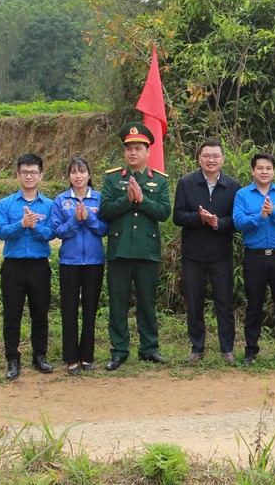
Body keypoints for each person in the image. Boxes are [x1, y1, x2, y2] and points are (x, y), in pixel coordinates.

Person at [100, 122, 171, 370]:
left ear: (148, 151)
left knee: (146, 302)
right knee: (118, 303)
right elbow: (105, 211)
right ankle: (119, 351)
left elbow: (164, 213)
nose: (133, 153)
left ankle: (149, 348)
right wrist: (126, 200)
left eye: (138, 148)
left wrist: (142, 200)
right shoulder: (112, 179)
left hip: (146, 252)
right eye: (129, 148)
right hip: (119, 251)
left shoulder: (158, 181)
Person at [172, 139, 242, 364]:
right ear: (199, 158)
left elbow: (237, 220)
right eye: (206, 156)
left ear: (222, 159)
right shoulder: (186, 182)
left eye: (215, 156)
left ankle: (227, 348)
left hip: (221, 253)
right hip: (193, 254)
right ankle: (197, 347)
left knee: (224, 301)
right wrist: (199, 218)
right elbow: (178, 216)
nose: (211, 160)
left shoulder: (233, 186)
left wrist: (217, 223)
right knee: (194, 301)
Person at [0, 153, 55, 380]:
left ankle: (40, 356)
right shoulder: (6, 204)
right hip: (13, 267)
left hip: (39, 266)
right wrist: (21, 224)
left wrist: (34, 226)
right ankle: (12, 359)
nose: (29, 176)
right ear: (18, 175)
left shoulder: (48, 204)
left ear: (41, 175)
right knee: (12, 315)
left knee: (40, 314)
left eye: (34, 172)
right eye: (25, 172)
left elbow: (51, 233)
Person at [233, 152, 275, 365]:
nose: (264, 172)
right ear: (252, 170)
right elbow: (239, 222)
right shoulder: (243, 195)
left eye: (268, 168)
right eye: (260, 168)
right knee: (254, 304)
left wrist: (274, 214)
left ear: (274, 171)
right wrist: (260, 217)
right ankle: (251, 350)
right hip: (255, 257)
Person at [49, 158, 108, 375]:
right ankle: (71, 358)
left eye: (82, 172)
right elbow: (57, 231)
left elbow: (105, 229)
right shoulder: (61, 200)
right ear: (69, 177)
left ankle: (87, 356)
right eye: (73, 172)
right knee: (69, 310)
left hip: (94, 262)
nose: (78, 176)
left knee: (90, 310)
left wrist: (90, 218)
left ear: (89, 175)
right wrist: (75, 220)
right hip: (70, 262)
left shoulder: (100, 198)